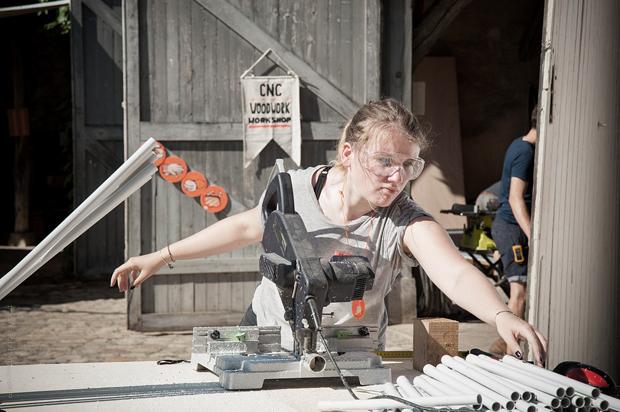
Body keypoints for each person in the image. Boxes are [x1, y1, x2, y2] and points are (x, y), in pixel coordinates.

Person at [110, 99, 546, 365]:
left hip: (350, 361)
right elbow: (244, 225)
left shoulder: (402, 219)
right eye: (385, 161)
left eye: (409, 165)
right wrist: (161, 256)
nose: (397, 177)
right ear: (348, 152)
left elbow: (452, 273)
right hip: (265, 342)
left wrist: (501, 314)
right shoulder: (295, 190)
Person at [490, 105, 538, 353]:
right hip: (511, 228)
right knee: (519, 293)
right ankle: (512, 357)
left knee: (520, 292)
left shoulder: (518, 145)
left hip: (510, 228)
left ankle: (501, 346)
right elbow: (515, 198)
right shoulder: (525, 153)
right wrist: (533, 234)